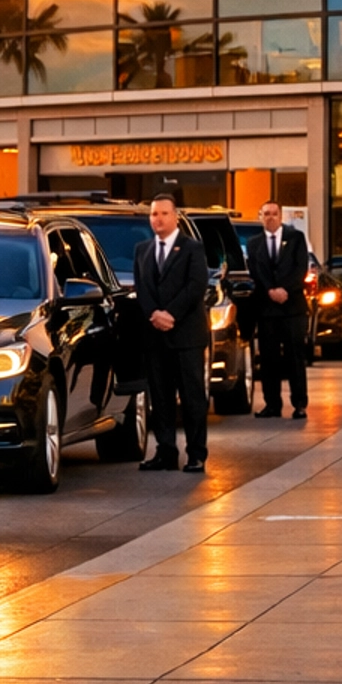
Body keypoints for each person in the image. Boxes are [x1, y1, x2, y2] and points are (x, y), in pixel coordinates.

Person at [133, 192, 210, 474]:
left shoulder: (192, 248)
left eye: (164, 213)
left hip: (186, 336)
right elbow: (142, 288)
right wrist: (154, 313)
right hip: (155, 337)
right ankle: (165, 452)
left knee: (192, 398)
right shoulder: (142, 250)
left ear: (175, 217)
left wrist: (171, 314)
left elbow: (196, 286)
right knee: (161, 398)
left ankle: (196, 454)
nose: (158, 219)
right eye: (154, 214)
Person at [245, 199, 310, 420]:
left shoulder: (296, 238)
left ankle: (299, 404)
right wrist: (271, 290)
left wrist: (284, 289)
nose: (270, 217)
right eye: (266, 214)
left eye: (274, 213)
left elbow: (301, 268)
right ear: (260, 217)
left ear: (281, 216)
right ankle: (272, 404)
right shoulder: (254, 243)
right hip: (267, 310)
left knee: (295, 357)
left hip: (293, 308)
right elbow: (256, 271)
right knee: (268, 359)